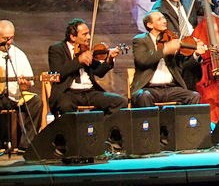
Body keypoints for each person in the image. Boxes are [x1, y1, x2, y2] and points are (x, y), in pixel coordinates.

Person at [48, 18, 126, 115]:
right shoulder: (57, 49)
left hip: (90, 91)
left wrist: (109, 59)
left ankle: (98, 123)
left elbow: (99, 72)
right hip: (67, 93)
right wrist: (78, 60)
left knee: (120, 102)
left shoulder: (85, 50)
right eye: (84, 34)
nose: (89, 37)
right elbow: (57, 73)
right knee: (65, 106)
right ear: (73, 37)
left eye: (88, 33)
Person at [130, 11, 205, 107]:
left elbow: (183, 65)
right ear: (150, 25)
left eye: (164, 18)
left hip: (171, 88)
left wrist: (196, 54)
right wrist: (165, 50)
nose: (164, 21)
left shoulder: (171, 39)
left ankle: (186, 118)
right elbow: (143, 60)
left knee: (194, 96)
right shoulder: (140, 40)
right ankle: (151, 118)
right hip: (148, 88)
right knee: (144, 96)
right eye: (159, 19)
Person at [151, 0, 213, 89]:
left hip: (195, 41)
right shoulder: (159, 9)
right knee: (189, 74)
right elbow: (163, 33)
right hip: (180, 51)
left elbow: (204, 10)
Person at [0, 20, 43, 149]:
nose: (9, 42)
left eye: (11, 38)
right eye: (5, 38)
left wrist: (24, 85)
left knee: (36, 102)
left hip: (15, 97)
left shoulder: (19, 55)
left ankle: (27, 145)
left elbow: (28, 83)